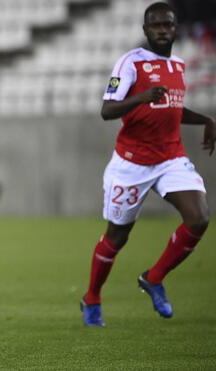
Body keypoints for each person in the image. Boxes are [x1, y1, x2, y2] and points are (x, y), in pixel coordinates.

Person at [80, 2, 215, 327]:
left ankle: (154, 278)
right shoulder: (131, 62)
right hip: (131, 163)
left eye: (168, 24)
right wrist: (141, 97)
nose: (162, 30)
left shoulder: (179, 64)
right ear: (145, 30)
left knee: (199, 219)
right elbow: (107, 110)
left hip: (170, 158)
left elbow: (172, 108)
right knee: (117, 236)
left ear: (175, 27)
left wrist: (207, 120)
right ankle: (92, 297)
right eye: (156, 25)